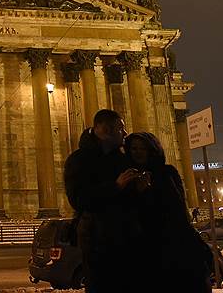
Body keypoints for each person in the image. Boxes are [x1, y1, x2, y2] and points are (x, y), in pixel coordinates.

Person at [64, 109, 146, 293]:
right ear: (105, 130)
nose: (125, 134)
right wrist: (115, 186)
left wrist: (141, 189)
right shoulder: (79, 161)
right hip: (98, 244)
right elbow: (78, 200)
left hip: (129, 242)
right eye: (120, 129)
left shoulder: (124, 160)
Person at [124, 132, 212, 292]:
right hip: (144, 249)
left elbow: (175, 207)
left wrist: (147, 192)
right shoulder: (127, 176)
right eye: (134, 148)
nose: (137, 152)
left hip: (172, 245)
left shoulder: (166, 173)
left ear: (152, 150)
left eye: (142, 148)